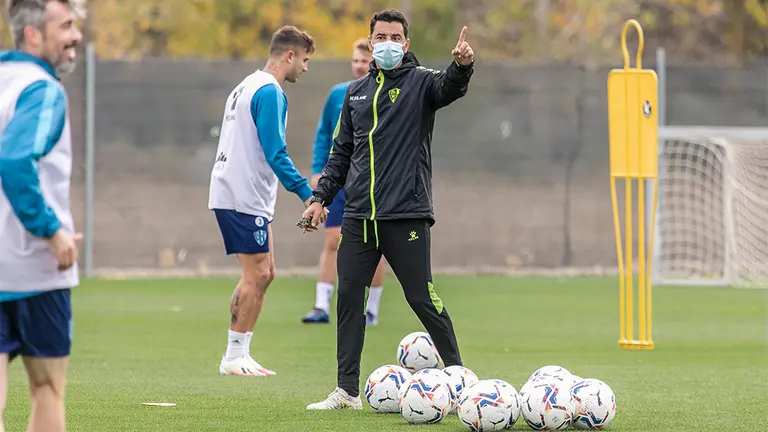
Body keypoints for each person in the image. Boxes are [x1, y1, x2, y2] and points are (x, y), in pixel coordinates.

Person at [302, 9, 475, 410]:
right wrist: (320, 199)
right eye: (381, 37)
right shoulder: (356, 93)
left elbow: (450, 86)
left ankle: (460, 379)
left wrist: (463, 66)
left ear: (406, 44)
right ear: (372, 40)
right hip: (360, 218)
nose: (387, 44)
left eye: (395, 37)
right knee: (348, 297)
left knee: (422, 297)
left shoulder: (421, 84)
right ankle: (346, 391)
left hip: (406, 215)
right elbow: (341, 153)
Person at [208, 25, 317, 377]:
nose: (305, 67)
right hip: (241, 194)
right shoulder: (270, 92)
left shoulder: (247, 84)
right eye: (304, 59)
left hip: (243, 193)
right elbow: (275, 152)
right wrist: (306, 194)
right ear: (289, 55)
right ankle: (233, 356)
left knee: (266, 273)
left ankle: (241, 352)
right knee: (256, 273)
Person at [0, 1, 83, 431]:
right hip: (33, 268)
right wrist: (51, 231)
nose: (76, 36)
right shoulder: (42, 89)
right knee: (47, 390)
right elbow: (14, 160)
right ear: (33, 35)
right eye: (65, 26)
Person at [302, 38, 387, 326]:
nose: (360, 66)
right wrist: (317, 169)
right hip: (339, 179)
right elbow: (324, 134)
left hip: (372, 182)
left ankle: (371, 309)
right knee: (332, 240)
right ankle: (321, 305)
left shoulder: (385, 93)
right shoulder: (339, 94)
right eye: (356, 61)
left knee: (374, 244)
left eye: (365, 61)